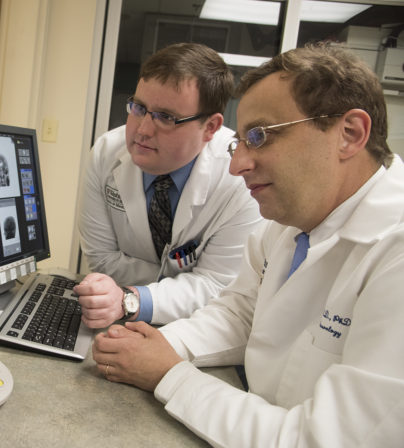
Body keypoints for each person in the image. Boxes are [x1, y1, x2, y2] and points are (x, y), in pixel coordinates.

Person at [91, 42, 404, 446]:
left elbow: (317, 439)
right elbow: (241, 313)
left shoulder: (393, 251)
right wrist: (160, 345)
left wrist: (170, 374)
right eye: (240, 141)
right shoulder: (290, 225)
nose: (238, 165)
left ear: (349, 134)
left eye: (260, 136)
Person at [76, 43, 262, 328]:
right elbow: (101, 258)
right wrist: (184, 283)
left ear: (210, 127)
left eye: (166, 117)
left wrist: (130, 298)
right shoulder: (106, 153)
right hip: (114, 319)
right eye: (139, 108)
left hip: (199, 327)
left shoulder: (239, 176)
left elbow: (218, 284)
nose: (142, 130)